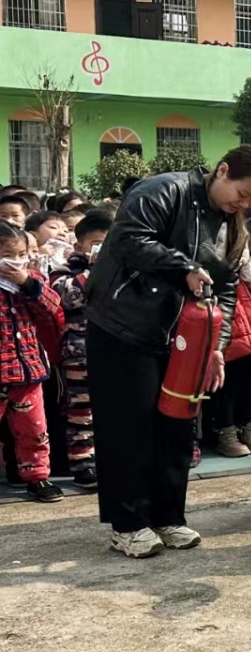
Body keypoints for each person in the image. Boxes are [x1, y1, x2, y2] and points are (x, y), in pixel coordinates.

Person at [85, 145, 251, 557]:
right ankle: (128, 524)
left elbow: (225, 290)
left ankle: (169, 516)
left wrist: (217, 348)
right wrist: (182, 265)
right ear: (222, 171)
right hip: (124, 325)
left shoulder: (232, 226)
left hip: (185, 337)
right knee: (128, 428)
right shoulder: (163, 190)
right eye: (241, 194)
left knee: (176, 425)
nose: (242, 205)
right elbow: (129, 239)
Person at [0, 221, 64, 503]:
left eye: (22, 254)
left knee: (34, 430)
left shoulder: (32, 280)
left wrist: (26, 282)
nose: (17, 261)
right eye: (9, 255)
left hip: (28, 372)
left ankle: (38, 478)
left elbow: (52, 307)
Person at [50, 208, 111, 490]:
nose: (103, 249)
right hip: (79, 353)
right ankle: (83, 463)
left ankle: (114, 461)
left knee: (116, 409)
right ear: (79, 246)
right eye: (96, 243)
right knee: (80, 411)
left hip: (117, 350)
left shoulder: (125, 271)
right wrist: (94, 270)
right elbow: (69, 297)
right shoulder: (64, 271)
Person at [210, 216, 251, 458]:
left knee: (249, 381)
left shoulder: (243, 260)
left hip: (247, 325)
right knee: (225, 383)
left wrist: (245, 260)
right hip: (220, 321)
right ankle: (226, 431)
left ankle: (249, 428)